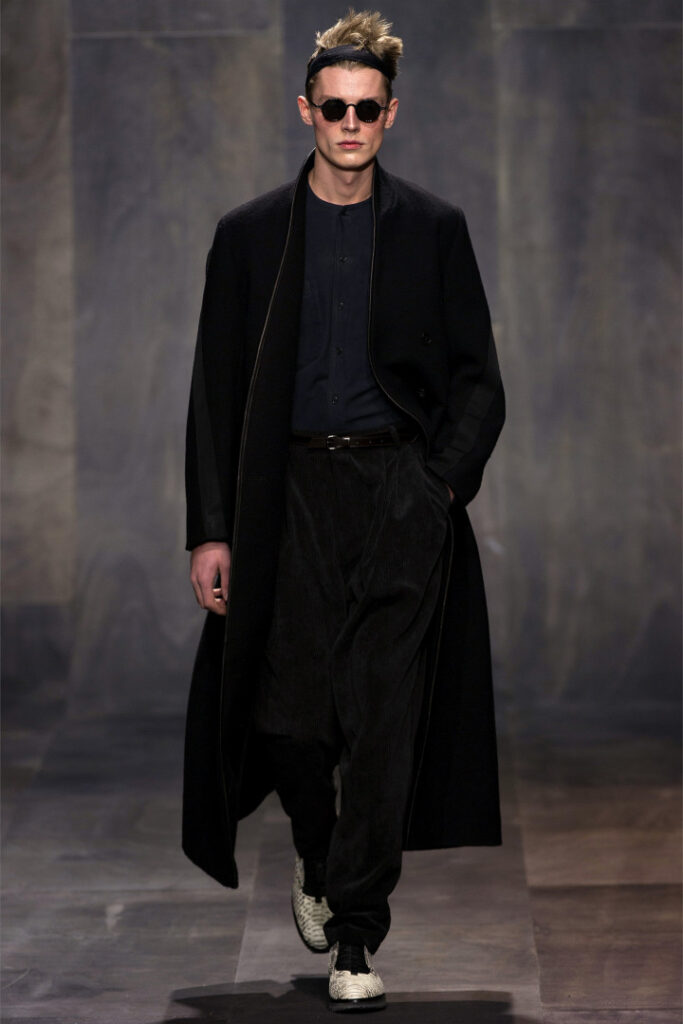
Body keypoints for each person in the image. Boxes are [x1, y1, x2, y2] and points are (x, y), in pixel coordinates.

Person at [183, 9, 505, 1013]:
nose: (351, 124)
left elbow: (478, 380)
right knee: (288, 716)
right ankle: (319, 863)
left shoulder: (432, 229)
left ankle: (356, 933)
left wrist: (435, 485)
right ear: (305, 111)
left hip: (395, 495)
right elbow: (213, 391)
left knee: (381, 722)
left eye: (367, 109)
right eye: (335, 108)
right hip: (284, 498)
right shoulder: (248, 237)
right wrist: (210, 528)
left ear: (390, 114)